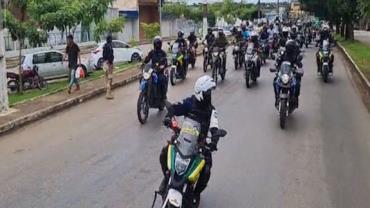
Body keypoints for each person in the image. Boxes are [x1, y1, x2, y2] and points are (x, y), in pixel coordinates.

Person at [159, 75, 221, 206]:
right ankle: (167, 178)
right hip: (184, 140)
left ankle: (195, 193)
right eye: (207, 92)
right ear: (200, 93)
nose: (209, 95)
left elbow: (214, 126)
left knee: (207, 168)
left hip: (200, 145)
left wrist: (214, 138)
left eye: (210, 92)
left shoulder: (211, 110)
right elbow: (176, 108)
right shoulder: (190, 102)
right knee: (165, 152)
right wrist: (169, 116)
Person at [273, 40, 303, 108]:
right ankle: (277, 96)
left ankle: (295, 98)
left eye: (291, 47)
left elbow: (299, 64)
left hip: (292, 74)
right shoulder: (283, 54)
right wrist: (275, 66)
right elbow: (278, 61)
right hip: (283, 73)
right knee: (275, 81)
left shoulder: (295, 55)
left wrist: (299, 69)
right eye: (289, 47)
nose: (290, 49)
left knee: (297, 84)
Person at [102, 35, 115, 99]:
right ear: (110, 40)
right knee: (110, 79)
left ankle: (107, 92)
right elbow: (110, 56)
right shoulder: (109, 47)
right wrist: (110, 64)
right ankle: (108, 94)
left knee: (106, 78)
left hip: (104, 63)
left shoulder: (104, 46)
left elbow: (103, 55)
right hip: (109, 64)